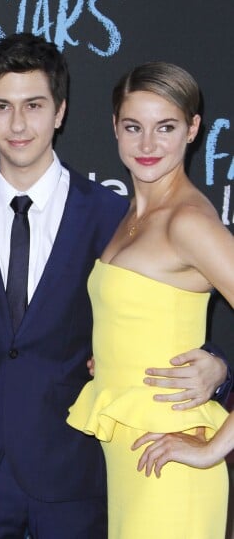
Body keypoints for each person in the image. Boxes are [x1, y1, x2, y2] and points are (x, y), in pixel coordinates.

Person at [0, 34, 230, 539]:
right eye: (2, 107)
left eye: (34, 105)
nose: (18, 124)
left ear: (60, 112)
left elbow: (173, 311)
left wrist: (219, 365)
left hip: (80, 468)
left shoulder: (111, 215)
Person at [67, 61, 234, 538]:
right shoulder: (133, 215)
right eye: (133, 127)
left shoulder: (188, 222)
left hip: (170, 461)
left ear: (192, 129)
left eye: (166, 127)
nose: (147, 145)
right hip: (133, 454)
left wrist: (212, 448)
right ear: (115, 127)